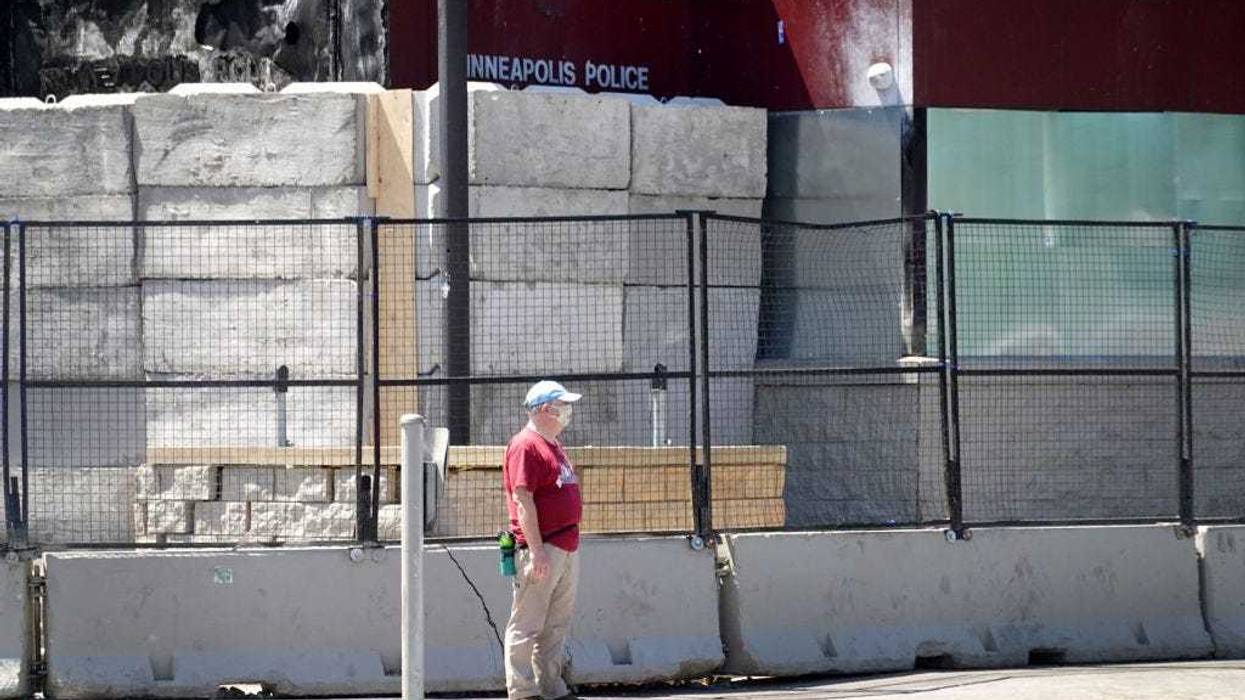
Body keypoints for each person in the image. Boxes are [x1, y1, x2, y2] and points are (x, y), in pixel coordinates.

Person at [502, 380, 584, 700]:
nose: (567, 412)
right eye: (561, 405)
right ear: (542, 409)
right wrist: (536, 551)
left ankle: (552, 688)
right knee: (527, 624)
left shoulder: (554, 446)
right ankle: (522, 691)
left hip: (566, 545)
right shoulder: (525, 445)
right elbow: (523, 500)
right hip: (544, 546)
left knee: (555, 625)